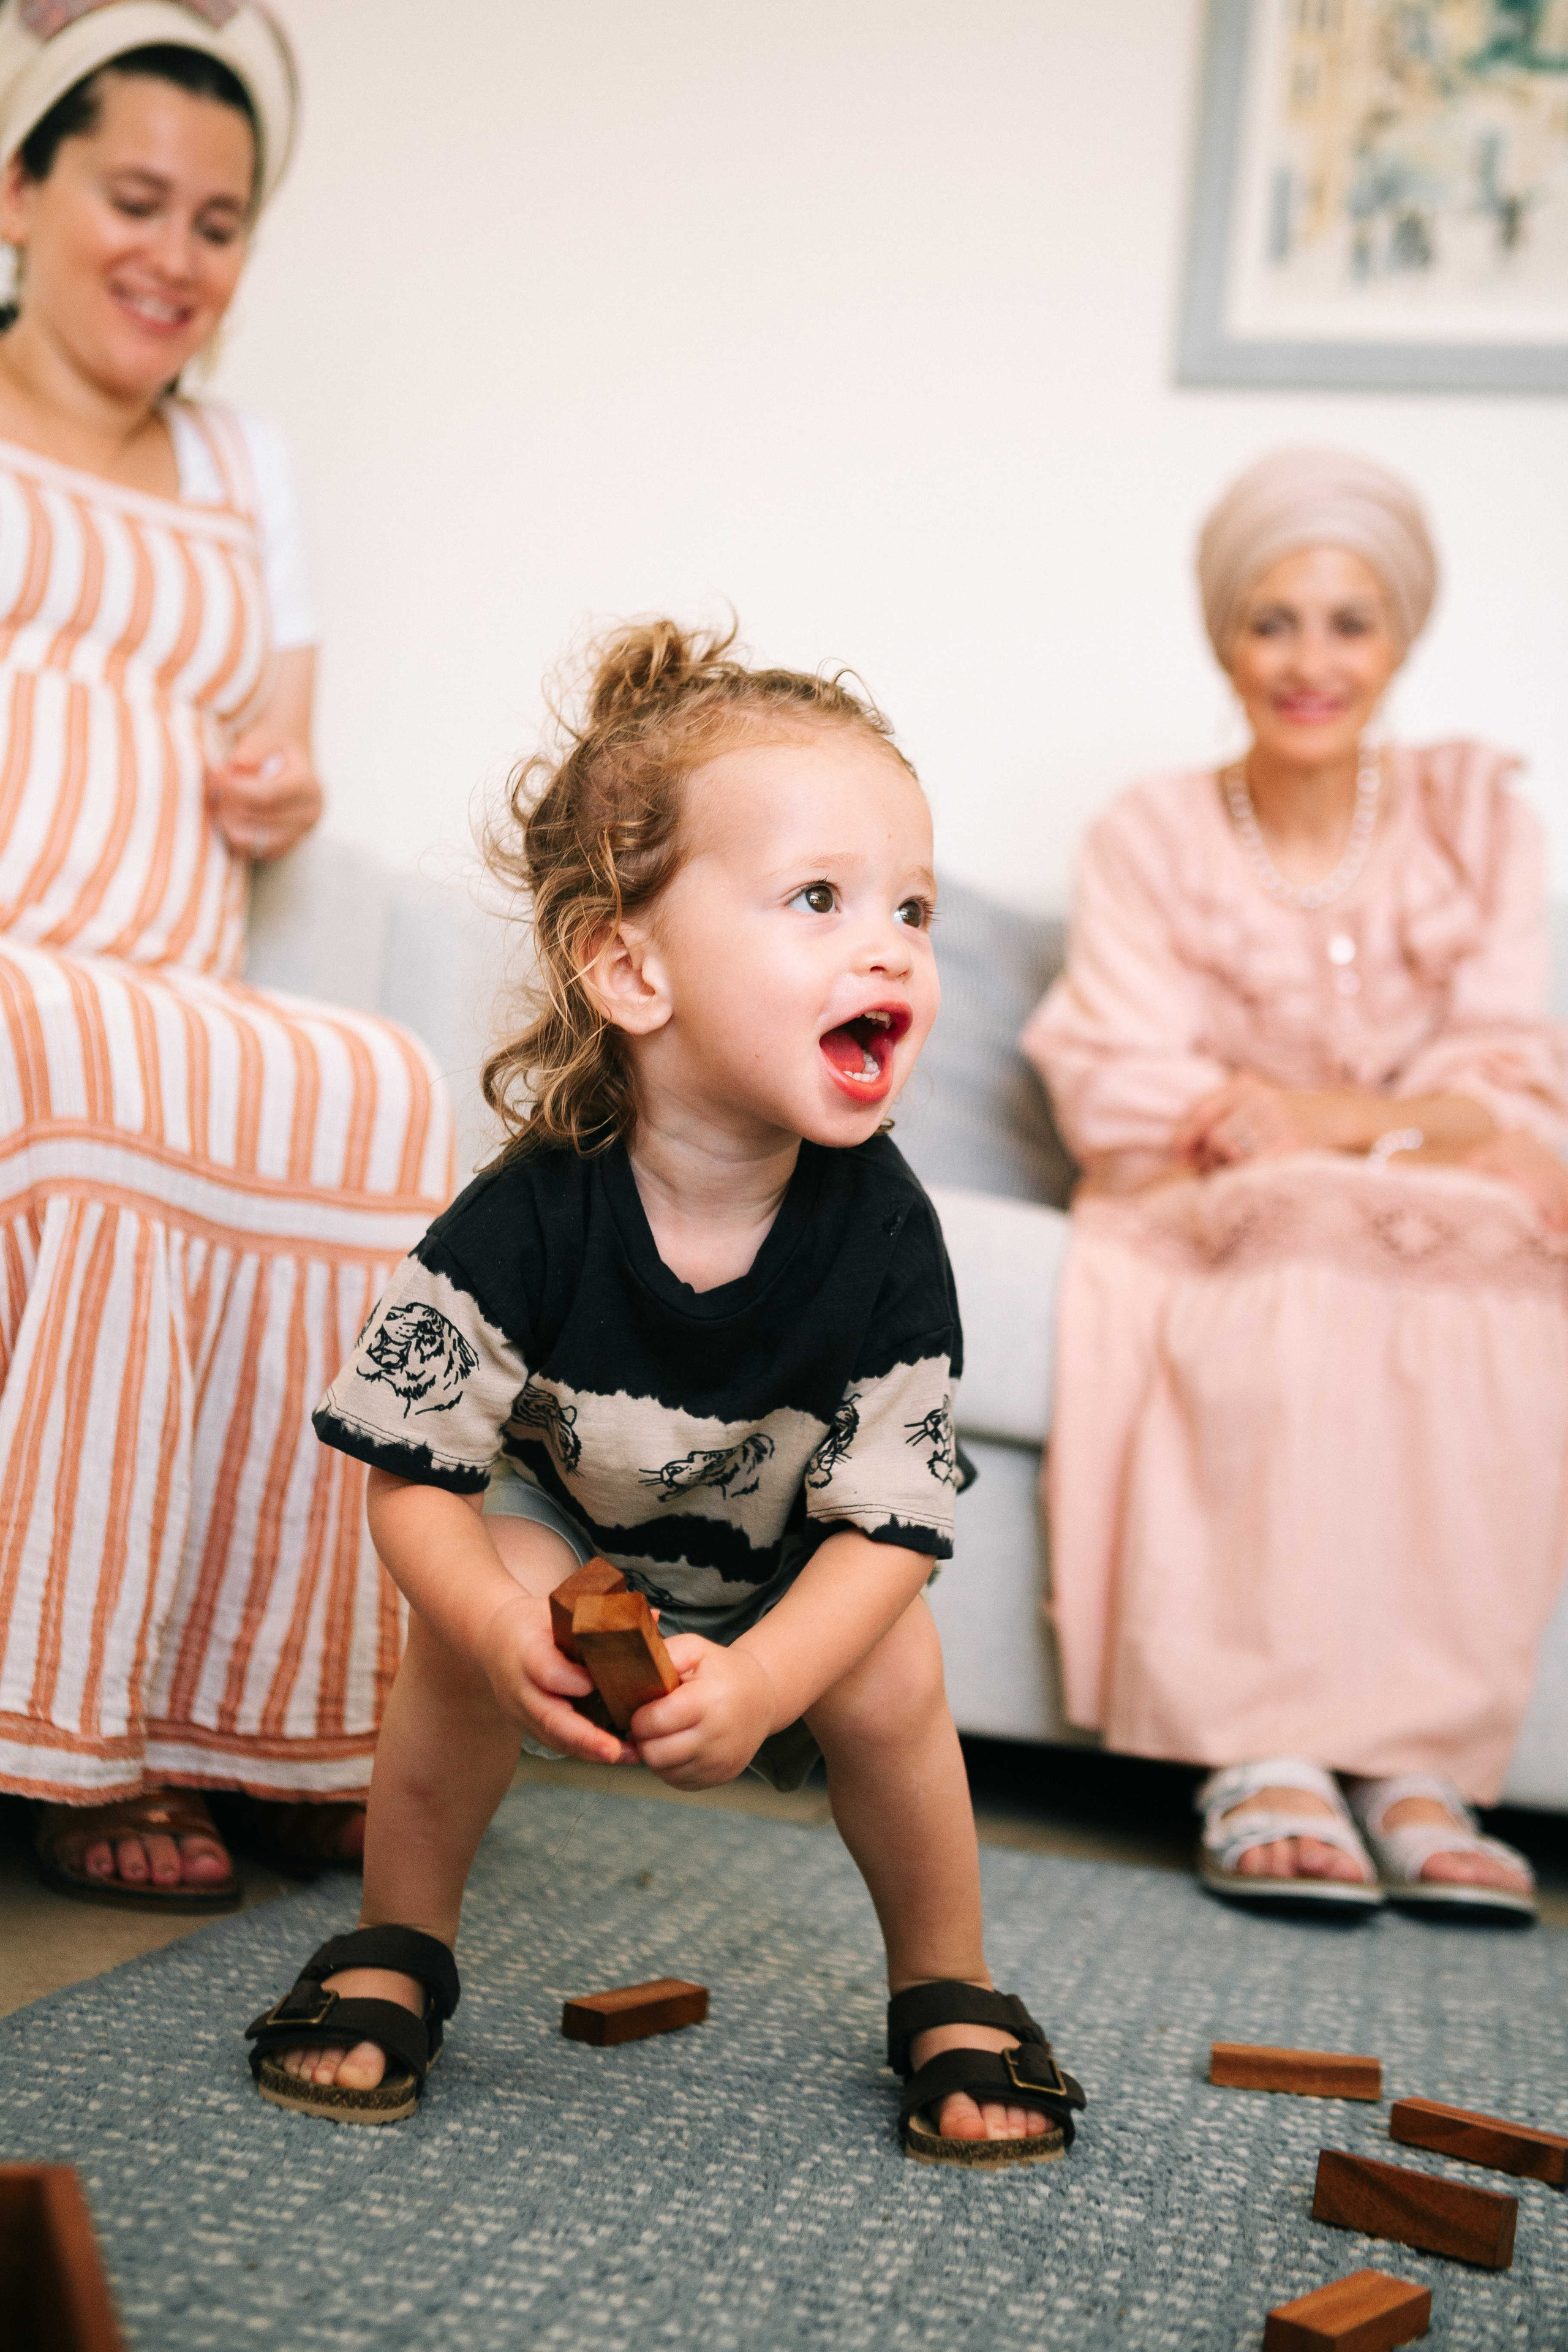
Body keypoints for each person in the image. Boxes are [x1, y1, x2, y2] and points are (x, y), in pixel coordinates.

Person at [242, 620, 1087, 2165]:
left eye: (913, 907)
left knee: (890, 1675)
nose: (893, 945)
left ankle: (950, 1984)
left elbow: (891, 1532)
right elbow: (415, 1479)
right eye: (819, 900)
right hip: (564, 1543)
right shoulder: (528, 1213)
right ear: (632, 968)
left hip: (779, 1569)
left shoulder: (888, 1235)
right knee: (464, 1606)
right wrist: (503, 1630)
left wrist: (766, 1684)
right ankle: (397, 1942)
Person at [0, 2, 451, 1905]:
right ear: (17, 193)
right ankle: (71, 1735)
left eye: (216, 221)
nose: (171, 256)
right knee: (93, 1061)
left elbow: (283, 745)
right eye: (133, 198)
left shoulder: (247, 466)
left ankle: (267, 1723)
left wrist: (277, 786)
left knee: (381, 1087)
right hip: (23, 965)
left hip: (167, 964)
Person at [1023, 448, 1568, 1922]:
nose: (1309, 662)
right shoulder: (1146, 833)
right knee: (1298, 1220)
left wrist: (1317, 1116)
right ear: (1222, 638)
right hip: (1206, 1208)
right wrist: (1364, 1130)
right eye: (1272, 621)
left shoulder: (1475, 820)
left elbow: (1510, 1080)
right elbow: (1122, 1082)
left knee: (1498, 1236)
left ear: (1399, 637)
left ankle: (1414, 1765)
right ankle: (1258, 1746)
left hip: (1393, 1195)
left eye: (1348, 622)